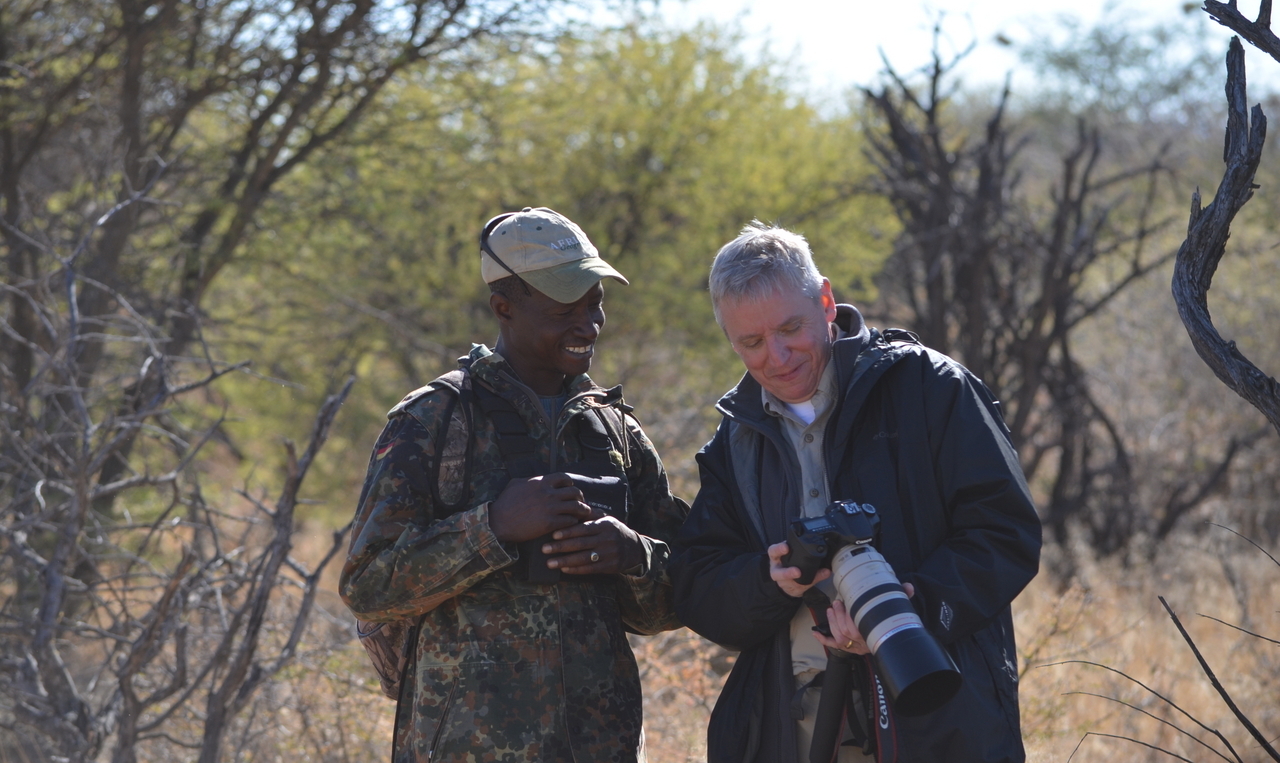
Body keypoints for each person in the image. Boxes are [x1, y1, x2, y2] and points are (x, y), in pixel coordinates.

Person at [670, 222, 1041, 763]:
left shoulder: (931, 386)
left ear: (825, 302)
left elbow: (1006, 532)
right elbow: (698, 585)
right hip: (790, 730)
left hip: (934, 716)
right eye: (750, 342)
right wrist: (770, 581)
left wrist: (913, 605)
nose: (777, 356)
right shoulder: (736, 438)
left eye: (790, 328)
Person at [340, 207, 688, 763]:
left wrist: (633, 554)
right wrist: (493, 527)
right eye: (564, 309)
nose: (589, 324)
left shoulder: (616, 431)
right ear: (504, 308)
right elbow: (368, 585)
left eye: (595, 302)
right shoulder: (433, 421)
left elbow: (672, 602)